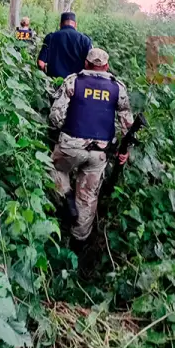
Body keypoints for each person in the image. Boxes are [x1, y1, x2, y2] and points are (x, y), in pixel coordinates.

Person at [48, 48, 133, 247]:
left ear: (86, 64)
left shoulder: (73, 81)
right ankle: (78, 243)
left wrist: (61, 130)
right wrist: (124, 150)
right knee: (87, 198)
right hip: (99, 153)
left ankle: (66, 196)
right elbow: (127, 124)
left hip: (71, 146)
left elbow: (55, 117)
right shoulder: (117, 88)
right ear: (107, 66)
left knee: (53, 168)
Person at [38, 11, 92, 79]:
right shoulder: (85, 40)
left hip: (54, 82)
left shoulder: (50, 38)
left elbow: (41, 63)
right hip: (76, 84)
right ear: (75, 25)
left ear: (60, 24)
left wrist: (46, 77)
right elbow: (91, 65)